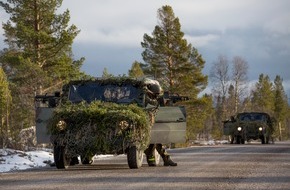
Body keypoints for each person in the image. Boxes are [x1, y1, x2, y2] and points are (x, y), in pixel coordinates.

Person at [144, 81, 177, 166]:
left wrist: (168, 102)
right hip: (145, 125)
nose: (156, 96)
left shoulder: (154, 99)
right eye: (155, 94)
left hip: (153, 124)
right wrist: (161, 101)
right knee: (154, 139)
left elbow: (159, 110)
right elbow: (151, 105)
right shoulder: (145, 98)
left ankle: (165, 158)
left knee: (157, 139)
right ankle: (160, 158)